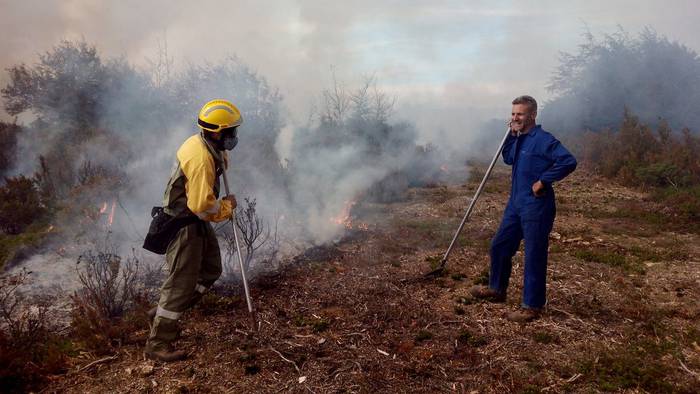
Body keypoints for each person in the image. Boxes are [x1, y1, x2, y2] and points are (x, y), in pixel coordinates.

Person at [144, 99, 242, 361]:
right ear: (216, 131)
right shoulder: (201, 159)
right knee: (180, 285)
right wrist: (226, 208)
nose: (234, 136)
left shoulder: (204, 143)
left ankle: (160, 314)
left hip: (193, 221)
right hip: (184, 224)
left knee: (211, 269)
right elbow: (201, 206)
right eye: (230, 131)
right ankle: (158, 343)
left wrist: (222, 157)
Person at [470, 95, 577, 322]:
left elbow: (568, 161)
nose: (515, 117)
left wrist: (544, 180)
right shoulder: (519, 138)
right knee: (499, 246)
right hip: (515, 203)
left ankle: (531, 306)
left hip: (536, 206)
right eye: (512, 114)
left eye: (519, 114)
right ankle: (497, 289)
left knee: (533, 254)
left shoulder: (544, 140)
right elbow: (509, 159)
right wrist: (511, 135)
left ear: (532, 115)